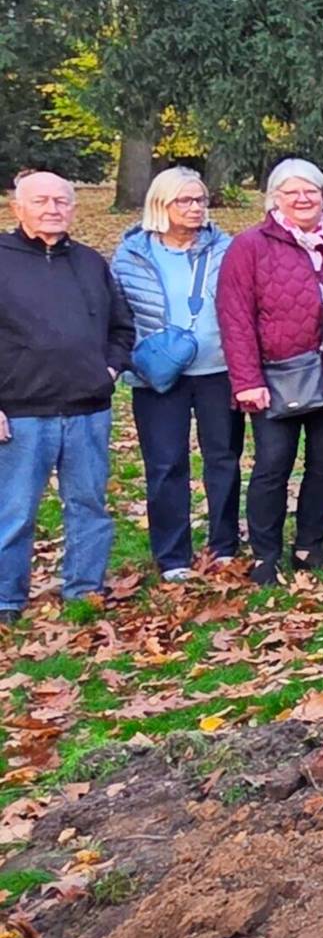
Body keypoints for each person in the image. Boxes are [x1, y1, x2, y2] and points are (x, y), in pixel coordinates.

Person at [218, 158, 323, 585]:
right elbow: (235, 317)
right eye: (292, 192)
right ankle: (265, 554)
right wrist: (247, 381)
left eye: (311, 191)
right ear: (275, 199)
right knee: (273, 464)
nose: (303, 199)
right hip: (275, 377)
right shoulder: (249, 246)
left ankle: (309, 544)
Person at [0, 172, 134, 624]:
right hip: (20, 412)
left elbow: (122, 327)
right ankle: (6, 598)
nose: (52, 209)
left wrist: (109, 370)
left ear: (74, 208)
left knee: (89, 506)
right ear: (17, 208)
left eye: (61, 201)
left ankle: (84, 589)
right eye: (41, 200)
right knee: (15, 510)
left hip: (87, 409)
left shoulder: (91, 263)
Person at [111, 167, 242, 582]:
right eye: (184, 200)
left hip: (218, 370)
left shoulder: (226, 248)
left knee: (223, 459)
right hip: (157, 377)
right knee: (166, 464)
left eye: (200, 199)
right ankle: (172, 556)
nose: (195, 208)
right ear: (160, 204)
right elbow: (119, 315)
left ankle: (224, 545)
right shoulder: (131, 255)